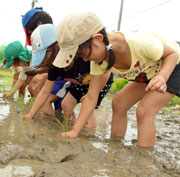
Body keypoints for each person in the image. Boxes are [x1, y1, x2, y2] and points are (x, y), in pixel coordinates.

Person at [52, 11, 180, 147]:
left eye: (84, 54)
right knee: (118, 103)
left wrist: (162, 76)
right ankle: (116, 145)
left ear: (98, 38)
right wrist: (75, 131)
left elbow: (172, 54)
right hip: (149, 72)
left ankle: (143, 158)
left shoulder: (137, 42)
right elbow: (91, 97)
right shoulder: (98, 62)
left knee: (144, 111)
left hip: (173, 65)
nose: (84, 59)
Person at [24, 24, 113, 129]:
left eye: (45, 55)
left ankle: (89, 136)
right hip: (80, 83)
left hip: (99, 82)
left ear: (57, 47)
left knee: (87, 107)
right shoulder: (55, 66)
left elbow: (105, 73)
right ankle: (69, 127)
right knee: (66, 104)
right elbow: (45, 92)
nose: (44, 60)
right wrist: (30, 114)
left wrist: (91, 94)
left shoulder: (82, 56)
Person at [22, 8, 66, 116]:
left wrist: (44, 76)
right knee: (61, 104)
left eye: (31, 32)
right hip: (65, 78)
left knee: (65, 104)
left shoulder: (61, 45)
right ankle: (57, 119)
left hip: (81, 80)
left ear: (39, 25)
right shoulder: (49, 48)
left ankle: (51, 124)